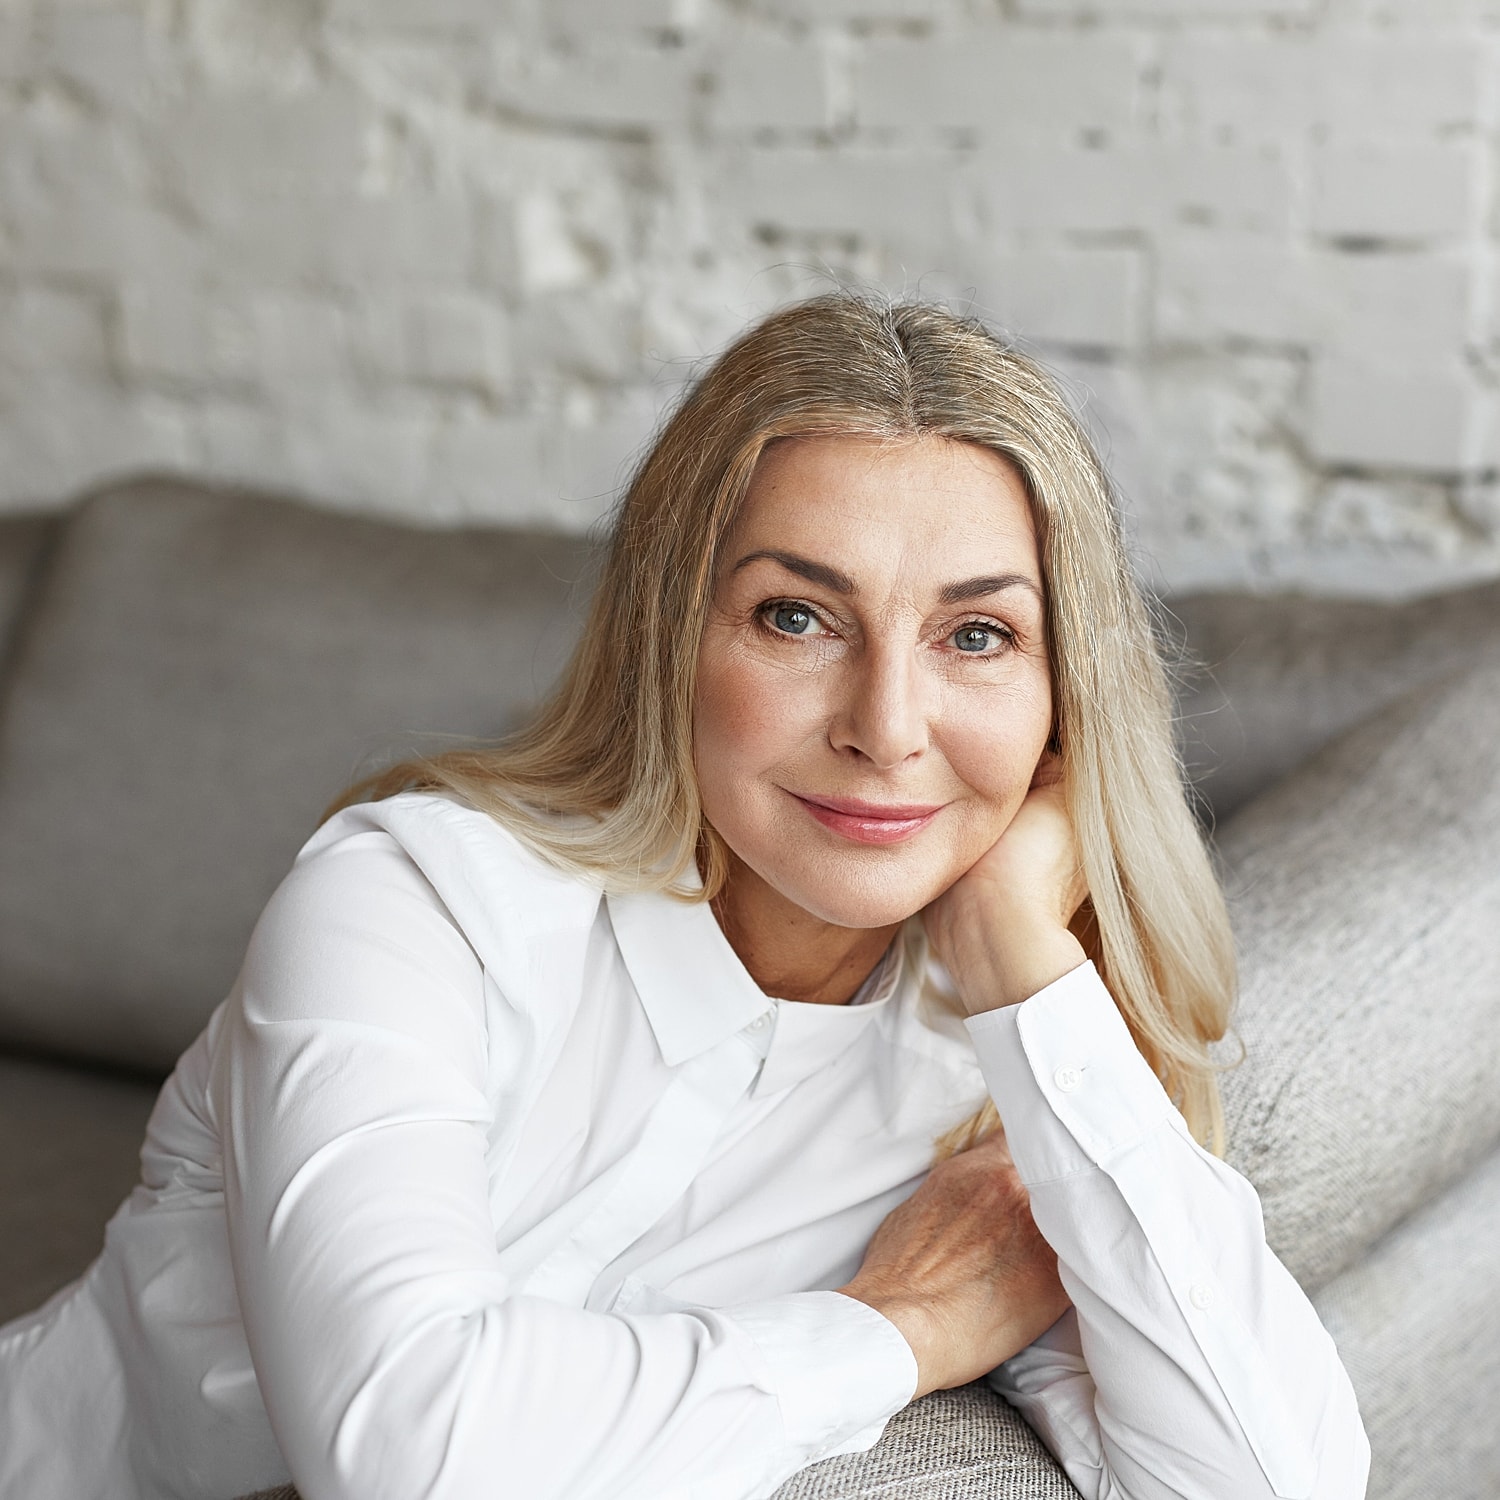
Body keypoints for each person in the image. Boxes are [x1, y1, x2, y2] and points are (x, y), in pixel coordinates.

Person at [0, 294, 1370, 1500]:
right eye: (797, 616)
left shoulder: (994, 1074)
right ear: (671, 633)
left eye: (977, 636)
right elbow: (406, 1454)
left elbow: (1270, 1483)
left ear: (1065, 694)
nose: (888, 726)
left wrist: (1023, 957)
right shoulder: (416, 899)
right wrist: (895, 1326)